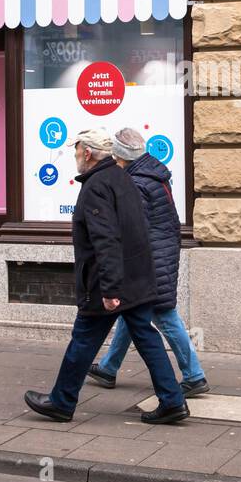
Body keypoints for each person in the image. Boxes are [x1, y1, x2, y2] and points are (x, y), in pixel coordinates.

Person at [24, 127, 189, 425]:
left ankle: (61, 402)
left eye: (76, 150)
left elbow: (107, 239)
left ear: (87, 152)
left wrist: (111, 289)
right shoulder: (121, 177)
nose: (75, 156)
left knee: (84, 339)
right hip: (136, 277)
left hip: (108, 282)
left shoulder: (97, 186)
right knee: (146, 337)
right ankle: (173, 400)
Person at [86, 128, 209, 396]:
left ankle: (194, 375)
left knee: (164, 315)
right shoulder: (154, 173)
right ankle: (108, 368)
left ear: (120, 156)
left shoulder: (136, 182)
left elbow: (132, 228)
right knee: (132, 313)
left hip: (149, 259)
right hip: (161, 252)